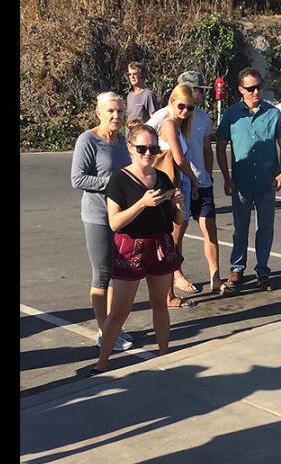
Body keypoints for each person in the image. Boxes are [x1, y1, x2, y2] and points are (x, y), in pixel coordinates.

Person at [91, 123, 187, 376]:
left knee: (160, 304)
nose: (148, 153)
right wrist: (142, 203)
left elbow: (177, 220)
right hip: (130, 247)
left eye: (153, 148)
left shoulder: (162, 177)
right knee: (121, 310)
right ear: (130, 148)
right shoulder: (119, 179)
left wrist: (179, 205)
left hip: (160, 245)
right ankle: (102, 363)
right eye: (142, 148)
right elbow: (114, 222)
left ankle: (164, 355)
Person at [148, 71, 228, 295]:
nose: (201, 94)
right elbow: (141, 135)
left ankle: (215, 277)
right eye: (198, 89)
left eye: (202, 90)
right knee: (177, 232)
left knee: (209, 227)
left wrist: (207, 176)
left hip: (200, 182)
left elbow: (205, 148)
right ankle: (176, 276)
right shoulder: (165, 117)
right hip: (180, 182)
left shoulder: (197, 117)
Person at [215, 68, 281, 291]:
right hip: (241, 183)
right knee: (240, 228)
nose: (256, 91)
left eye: (259, 86)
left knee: (265, 228)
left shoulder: (273, 114)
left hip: (267, 182)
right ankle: (237, 268)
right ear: (241, 90)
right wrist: (227, 178)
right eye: (251, 88)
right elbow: (220, 147)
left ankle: (263, 271)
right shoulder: (231, 115)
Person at [70, 91, 135, 351]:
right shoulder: (88, 140)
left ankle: (112, 326)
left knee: (119, 274)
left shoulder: (122, 142)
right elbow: (78, 179)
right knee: (102, 274)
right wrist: (112, 183)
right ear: (98, 113)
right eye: (110, 111)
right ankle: (103, 332)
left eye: (120, 111)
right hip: (97, 216)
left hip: (120, 217)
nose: (116, 116)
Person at [148, 83, 201, 307]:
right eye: (181, 106)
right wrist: (196, 179)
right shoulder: (169, 124)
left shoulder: (180, 126)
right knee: (172, 242)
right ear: (171, 102)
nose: (185, 112)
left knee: (174, 242)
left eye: (190, 108)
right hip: (174, 188)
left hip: (180, 187)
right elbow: (179, 160)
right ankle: (168, 295)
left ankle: (168, 292)